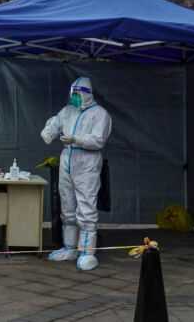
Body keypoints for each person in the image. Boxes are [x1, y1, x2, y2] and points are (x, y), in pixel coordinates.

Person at [40, 77, 112, 271]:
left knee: (86, 206)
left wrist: (76, 139)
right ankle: (70, 247)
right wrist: (48, 131)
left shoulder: (99, 114)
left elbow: (98, 140)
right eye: (73, 95)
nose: (75, 99)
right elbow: (56, 121)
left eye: (78, 95)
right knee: (67, 204)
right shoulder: (68, 110)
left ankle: (87, 252)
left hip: (87, 163)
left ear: (87, 94)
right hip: (67, 160)